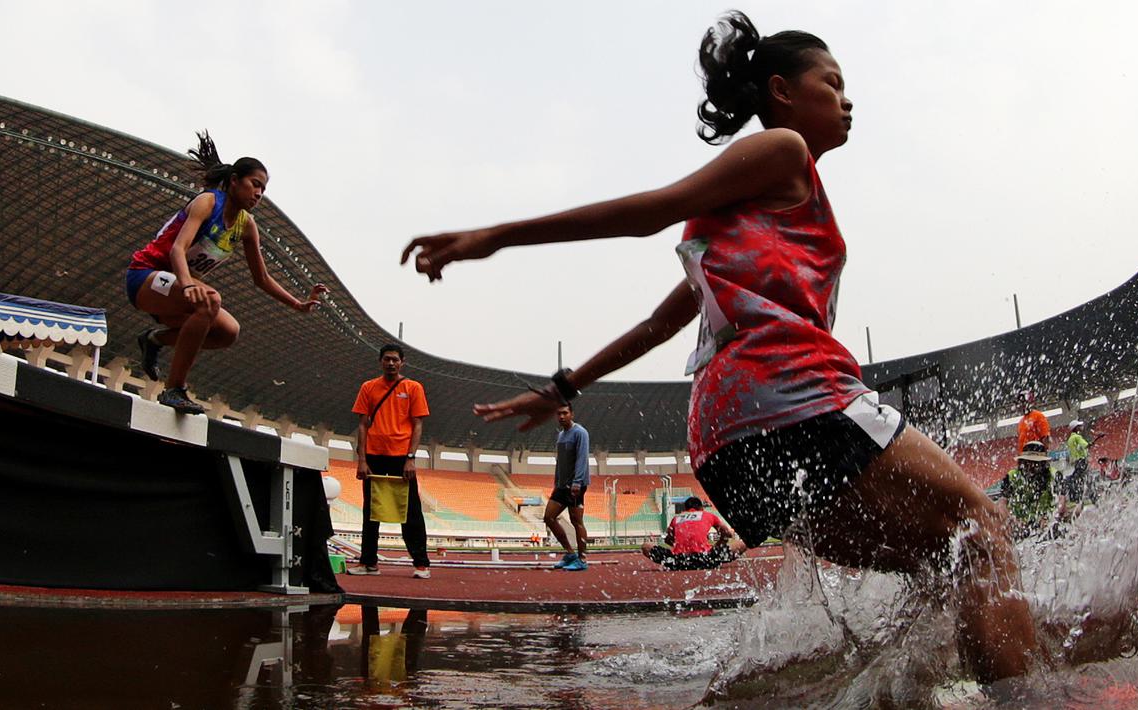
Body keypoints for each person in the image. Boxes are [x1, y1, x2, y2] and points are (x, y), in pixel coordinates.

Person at [401, 11, 1036, 682]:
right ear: (782, 92)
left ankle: (891, 690)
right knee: (981, 526)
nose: (847, 101)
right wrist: (495, 236)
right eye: (833, 83)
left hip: (726, 448)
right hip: (794, 400)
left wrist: (563, 388)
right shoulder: (782, 150)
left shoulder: (741, 224)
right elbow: (652, 212)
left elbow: (660, 322)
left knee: (941, 559)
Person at [127, 131, 327, 414]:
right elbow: (177, 250)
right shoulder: (208, 202)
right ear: (234, 181)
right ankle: (174, 389)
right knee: (210, 299)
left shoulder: (247, 225)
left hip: (177, 291)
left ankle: (153, 339)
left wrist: (298, 304)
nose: (258, 194)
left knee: (228, 332)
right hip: (145, 277)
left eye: (263, 190)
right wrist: (187, 284)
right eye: (254, 185)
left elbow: (262, 278)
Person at [346, 344, 432, 579]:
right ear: (380, 361)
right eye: (387, 359)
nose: (391, 363)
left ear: (402, 362)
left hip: (402, 458)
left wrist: (411, 458)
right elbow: (362, 425)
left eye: (395, 359)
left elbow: (418, 424)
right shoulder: (369, 387)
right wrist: (361, 460)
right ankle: (368, 563)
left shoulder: (413, 387)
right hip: (374, 456)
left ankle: (421, 563)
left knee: (411, 511)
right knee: (371, 511)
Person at [642, 496, 746, 571]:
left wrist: (681, 547)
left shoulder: (677, 518)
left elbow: (668, 540)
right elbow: (727, 533)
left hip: (678, 561)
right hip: (705, 559)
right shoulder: (707, 514)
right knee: (743, 543)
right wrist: (721, 541)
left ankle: (680, 558)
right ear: (701, 508)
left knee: (646, 546)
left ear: (685, 509)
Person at [544, 404, 590, 571]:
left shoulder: (580, 433)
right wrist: (557, 481)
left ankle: (582, 559)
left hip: (576, 485)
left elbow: (582, 458)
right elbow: (560, 462)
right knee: (548, 517)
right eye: (559, 413)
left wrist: (577, 482)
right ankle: (570, 553)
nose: (561, 416)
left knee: (576, 521)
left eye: (565, 413)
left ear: (572, 414)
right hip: (562, 485)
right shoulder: (561, 435)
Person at [1001, 441, 1067, 538]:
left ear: (1043, 463)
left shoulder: (1054, 475)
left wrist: (1052, 518)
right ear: (1022, 462)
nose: (1031, 466)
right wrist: (1012, 519)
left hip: (1046, 525)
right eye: (1028, 462)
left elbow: (1062, 501)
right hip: (1019, 526)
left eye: (1036, 463)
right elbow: (1001, 504)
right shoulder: (1011, 477)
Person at [1063, 419, 1096, 504]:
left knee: (1078, 480)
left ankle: (1075, 497)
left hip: (1076, 462)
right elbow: (1086, 445)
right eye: (1079, 426)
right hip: (1082, 461)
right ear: (1076, 428)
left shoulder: (1070, 439)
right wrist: (1095, 440)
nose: (1081, 427)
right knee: (1088, 479)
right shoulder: (1077, 437)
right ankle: (1093, 498)